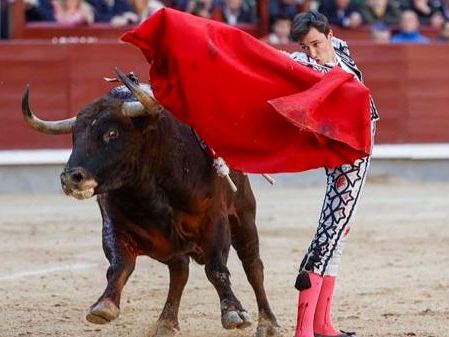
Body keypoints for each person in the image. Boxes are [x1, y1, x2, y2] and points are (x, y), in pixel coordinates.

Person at [288, 11, 379, 337]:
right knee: (327, 239)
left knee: (338, 237)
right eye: (305, 45)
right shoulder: (304, 62)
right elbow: (280, 61)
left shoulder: (340, 50)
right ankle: (304, 331)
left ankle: (323, 325)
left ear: (329, 35)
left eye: (316, 42)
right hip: (345, 163)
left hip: (359, 161)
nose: (313, 52)